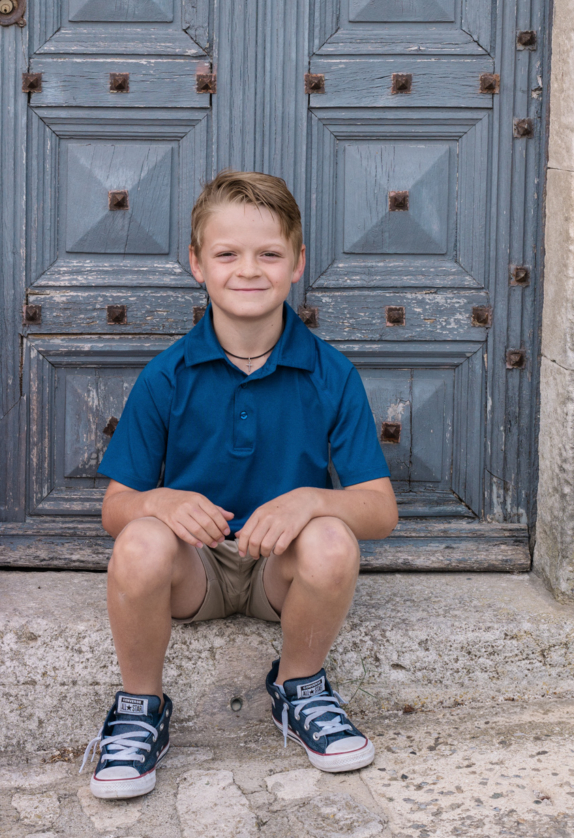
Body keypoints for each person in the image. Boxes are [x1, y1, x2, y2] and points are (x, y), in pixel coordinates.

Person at [85, 170, 398, 799]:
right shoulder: (167, 375)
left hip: (280, 573)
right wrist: (159, 501)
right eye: (227, 254)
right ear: (197, 264)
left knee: (333, 538)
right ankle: (141, 707)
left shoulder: (329, 373)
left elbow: (379, 509)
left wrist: (312, 500)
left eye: (269, 254)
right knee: (140, 542)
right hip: (194, 572)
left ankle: (300, 686)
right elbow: (116, 508)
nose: (248, 270)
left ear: (297, 264)